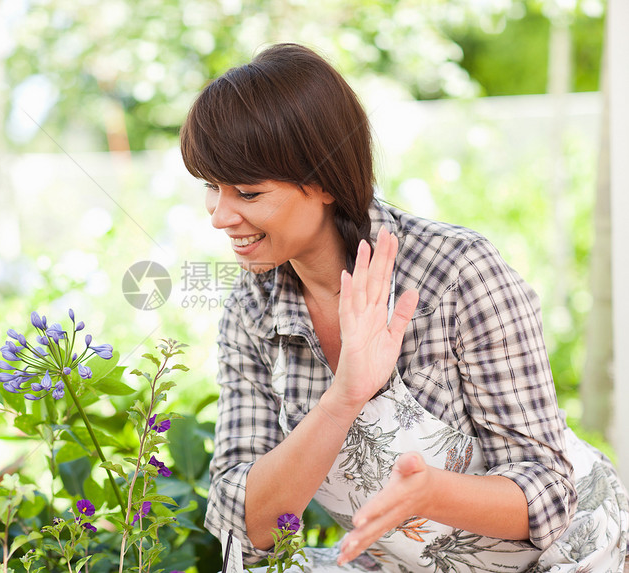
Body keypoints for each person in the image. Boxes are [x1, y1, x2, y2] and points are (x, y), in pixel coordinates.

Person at [179, 42, 629, 572]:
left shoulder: (457, 274)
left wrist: (430, 493)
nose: (219, 216)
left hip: (567, 554)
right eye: (212, 187)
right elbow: (247, 518)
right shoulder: (252, 310)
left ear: (322, 181)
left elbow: (549, 499)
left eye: (248, 194)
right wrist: (343, 397)